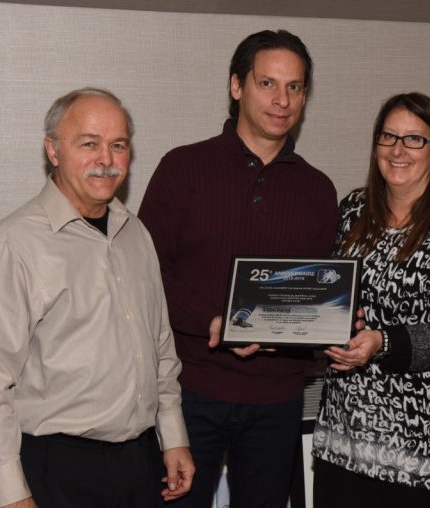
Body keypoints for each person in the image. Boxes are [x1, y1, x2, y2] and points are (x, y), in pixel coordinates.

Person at [0, 88, 194, 508]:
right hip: (55, 469)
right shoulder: (13, 246)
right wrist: (9, 495)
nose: (106, 159)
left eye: (119, 145)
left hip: (140, 460)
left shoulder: (136, 234)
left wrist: (173, 436)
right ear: (53, 150)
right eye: (89, 144)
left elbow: (159, 347)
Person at [138, 30, 338, 507]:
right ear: (236, 86)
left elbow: (315, 293)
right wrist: (213, 320)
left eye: (294, 87)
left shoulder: (318, 190)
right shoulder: (182, 168)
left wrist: (324, 322)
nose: (282, 100)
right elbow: (146, 274)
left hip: (278, 401)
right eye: (267, 83)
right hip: (188, 393)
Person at [311, 92, 430, 508]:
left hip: (424, 444)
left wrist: (382, 342)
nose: (397, 150)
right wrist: (322, 330)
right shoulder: (352, 210)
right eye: (388, 137)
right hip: (345, 435)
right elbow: (329, 296)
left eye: (414, 139)